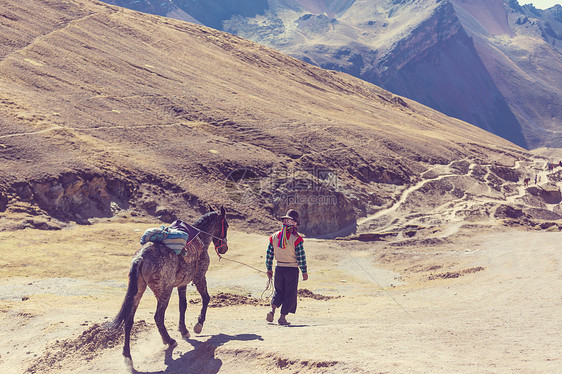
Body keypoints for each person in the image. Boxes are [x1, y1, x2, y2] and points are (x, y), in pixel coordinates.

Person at [265, 209, 308, 325]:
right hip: (292, 270)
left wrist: (269, 269)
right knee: (290, 293)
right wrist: (304, 271)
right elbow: (301, 257)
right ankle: (282, 318)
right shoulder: (296, 239)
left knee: (279, 291)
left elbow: (269, 255)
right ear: (294, 223)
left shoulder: (274, 237)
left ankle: (272, 310)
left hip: (279, 268)